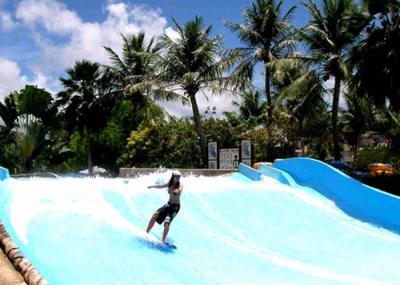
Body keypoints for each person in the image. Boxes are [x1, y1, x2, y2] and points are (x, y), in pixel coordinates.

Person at [146, 171, 183, 244]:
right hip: (168, 204)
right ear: (173, 176)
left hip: (175, 207)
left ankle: (162, 240)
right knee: (154, 215)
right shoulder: (170, 184)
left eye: (179, 177)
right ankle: (146, 233)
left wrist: (176, 190)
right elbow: (161, 186)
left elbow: (179, 189)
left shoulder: (180, 185)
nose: (178, 178)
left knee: (167, 222)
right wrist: (152, 186)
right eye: (176, 176)